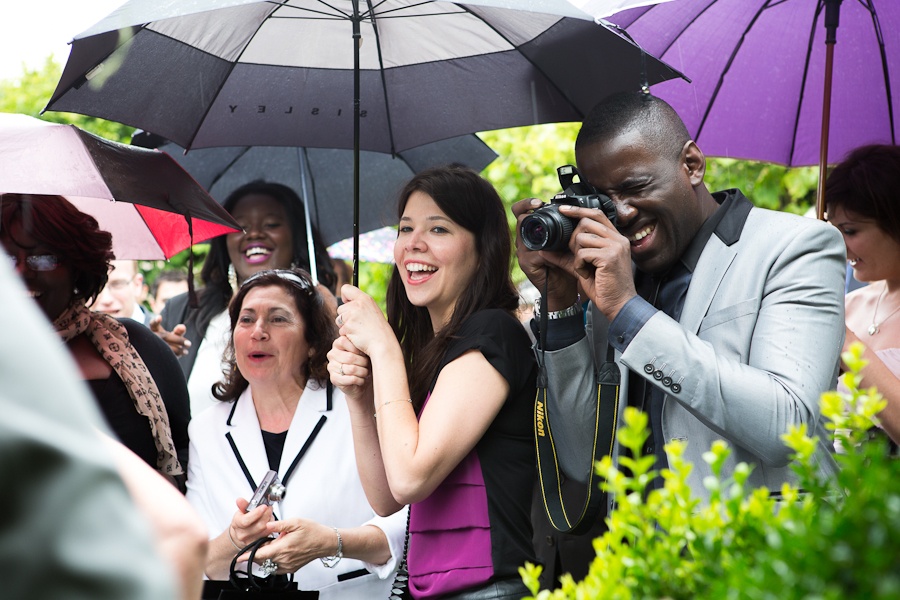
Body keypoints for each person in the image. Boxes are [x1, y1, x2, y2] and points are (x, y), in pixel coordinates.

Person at [512, 92, 845, 585]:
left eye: (636, 187)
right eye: (604, 200)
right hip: (652, 573)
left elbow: (787, 425)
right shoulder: (613, 278)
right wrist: (560, 303)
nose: (621, 215)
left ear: (692, 164)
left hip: (770, 570)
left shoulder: (794, 247)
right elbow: (586, 461)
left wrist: (630, 313)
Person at [329, 166, 538, 600]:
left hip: (492, 588)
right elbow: (387, 498)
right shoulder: (438, 349)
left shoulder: (493, 332)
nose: (413, 244)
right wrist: (357, 396)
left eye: (438, 228)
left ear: (483, 250)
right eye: (405, 228)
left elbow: (409, 479)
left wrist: (384, 348)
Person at [185, 269, 405, 598]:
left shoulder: (356, 408)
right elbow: (197, 562)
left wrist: (332, 542)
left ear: (313, 343)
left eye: (278, 319)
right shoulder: (206, 430)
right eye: (246, 320)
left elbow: (403, 530)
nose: (258, 331)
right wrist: (234, 538)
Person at [1, 194, 190, 481]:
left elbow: (190, 454)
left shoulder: (134, 344)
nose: (21, 272)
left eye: (43, 258)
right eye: (6, 257)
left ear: (77, 267)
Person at [155, 181, 337, 417]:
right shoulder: (182, 309)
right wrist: (156, 358)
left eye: (271, 224)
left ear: (296, 236)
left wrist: (332, 329)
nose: (254, 234)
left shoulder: (333, 311)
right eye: (240, 227)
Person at [826, 144, 900, 446]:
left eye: (851, 230)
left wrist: (847, 342)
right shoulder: (847, 306)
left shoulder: (840, 326)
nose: (838, 244)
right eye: (833, 229)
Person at [92, 259, 154, 324]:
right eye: (96, 285)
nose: (106, 300)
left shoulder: (162, 330)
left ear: (137, 285)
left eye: (117, 284)